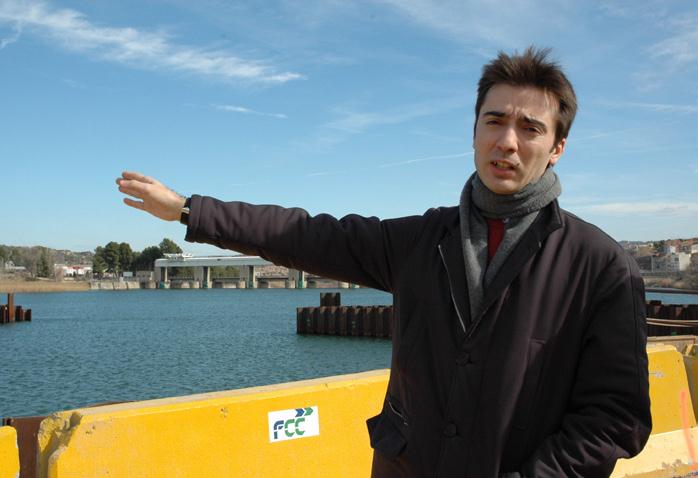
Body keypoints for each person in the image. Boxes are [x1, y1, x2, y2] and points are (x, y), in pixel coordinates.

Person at [117, 46, 651, 477]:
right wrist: (188, 210)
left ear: (557, 147)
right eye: (495, 121)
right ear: (473, 133)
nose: (507, 141)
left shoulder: (601, 268)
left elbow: (615, 418)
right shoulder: (421, 241)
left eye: (530, 128)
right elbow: (305, 235)